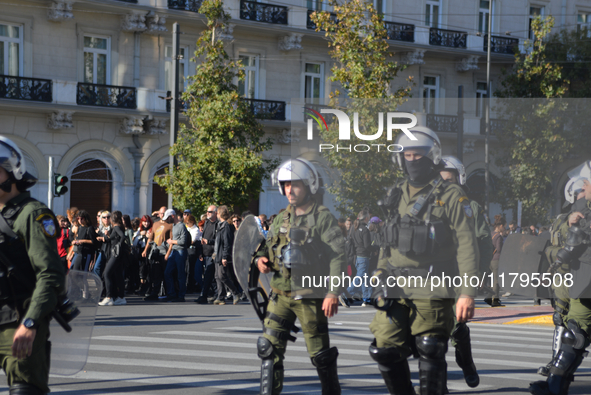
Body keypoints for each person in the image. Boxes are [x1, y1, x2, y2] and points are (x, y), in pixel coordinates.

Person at [369, 126, 479, 395]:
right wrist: (380, 270)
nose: (413, 160)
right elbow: (387, 238)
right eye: (407, 154)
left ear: (433, 156)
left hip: (433, 283)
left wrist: (467, 292)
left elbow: (467, 244)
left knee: (430, 347)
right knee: (383, 349)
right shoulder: (394, 194)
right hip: (394, 283)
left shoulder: (452, 195)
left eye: (419, 154)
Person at [254, 158, 345, 395]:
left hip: (310, 296)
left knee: (321, 356)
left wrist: (333, 292)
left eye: (295, 184)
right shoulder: (282, 217)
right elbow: (266, 247)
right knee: (268, 349)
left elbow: (338, 256)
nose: (289, 190)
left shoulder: (323, 218)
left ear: (308, 186)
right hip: (280, 295)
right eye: (285, 185)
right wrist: (260, 260)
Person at [0, 136, 66, 394]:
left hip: (16, 323)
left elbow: (50, 275)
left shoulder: (33, 214)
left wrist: (30, 323)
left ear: (12, 171)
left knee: (25, 390)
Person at [530, 164, 591, 395]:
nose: (582, 192)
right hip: (579, 281)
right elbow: (555, 247)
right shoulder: (575, 215)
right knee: (573, 332)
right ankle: (556, 385)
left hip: (580, 278)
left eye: (585, 186)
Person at [440, 155, 495, 388]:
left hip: (459, 276)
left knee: (456, 326)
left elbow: (484, 242)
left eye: (449, 180)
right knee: (432, 333)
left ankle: (467, 362)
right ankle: (437, 383)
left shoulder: (469, 207)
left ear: (460, 179)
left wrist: (479, 273)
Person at [340, 209, 372, 307]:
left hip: (357, 257)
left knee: (365, 278)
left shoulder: (354, 228)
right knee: (360, 278)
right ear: (366, 218)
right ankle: (345, 294)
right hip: (363, 256)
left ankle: (367, 299)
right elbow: (367, 246)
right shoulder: (365, 230)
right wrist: (374, 248)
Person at [141, 208, 172, 301]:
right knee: (155, 274)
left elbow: (171, 241)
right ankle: (154, 293)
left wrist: (168, 253)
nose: (162, 215)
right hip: (156, 251)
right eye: (160, 213)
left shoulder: (170, 225)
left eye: (163, 213)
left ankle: (168, 294)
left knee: (166, 274)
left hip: (165, 252)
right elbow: (150, 238)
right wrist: (145, 250)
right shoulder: (155, 224)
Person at [99, 211, 128, 306]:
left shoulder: (116, 227)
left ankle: (109, 297)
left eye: (110, 217)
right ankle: (121, 297)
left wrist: (119, 244)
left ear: (113, 218)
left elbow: (123, 236)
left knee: (106, 273)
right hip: (119, 254)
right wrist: (106, 236)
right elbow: (114, 238)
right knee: (118, 275)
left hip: (116, 254)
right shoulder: (119, 227)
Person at [213, 206, 240, 305]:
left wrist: (224, 257)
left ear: (219, 214)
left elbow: (227, 243)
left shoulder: (226, 226)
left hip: (222, 255)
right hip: (217, 254)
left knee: (222, 275)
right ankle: (221, 297)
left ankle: (236, 293)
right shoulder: (219, 225)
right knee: (217, 276)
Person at [163, 209, 189, 302]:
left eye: (168, 218)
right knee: (167, 273)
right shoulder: (173, 226)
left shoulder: (181, 226)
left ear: (172, 216)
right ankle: (172, 294)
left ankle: (181, 296)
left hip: (180, 252)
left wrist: (172, 241)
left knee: (180, 274)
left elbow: (183, 241)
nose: (167, 220)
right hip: (174, 252)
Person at [195, 205, 219, 304]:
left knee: (208, 275)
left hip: (213, 253)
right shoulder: (207, 223)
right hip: (205, 253)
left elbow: (218, 240)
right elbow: (203, 238)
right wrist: (201, 252)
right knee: (210, 276)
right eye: (207, 212)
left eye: (210, 212)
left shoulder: (218, 224)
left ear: (215, 213)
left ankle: (204, 296)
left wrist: (208, 241)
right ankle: (216, 294)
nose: (207, 213)